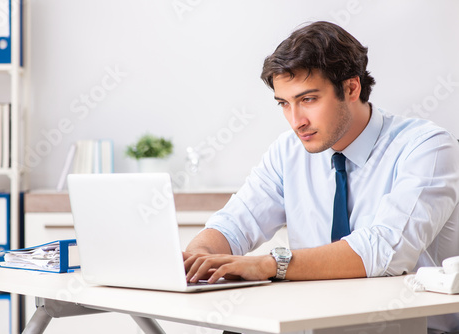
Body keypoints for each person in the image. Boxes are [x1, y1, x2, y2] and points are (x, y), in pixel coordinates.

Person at [183, 21, 459, 332]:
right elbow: (235, 222)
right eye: (284, 104)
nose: (296, 121)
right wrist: (198, 257)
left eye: (308, 100)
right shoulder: (288, 151)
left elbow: (385, 251)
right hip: (316, 325)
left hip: (413, 328)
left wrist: (271, 264)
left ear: (351, 88)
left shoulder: (427, 147)